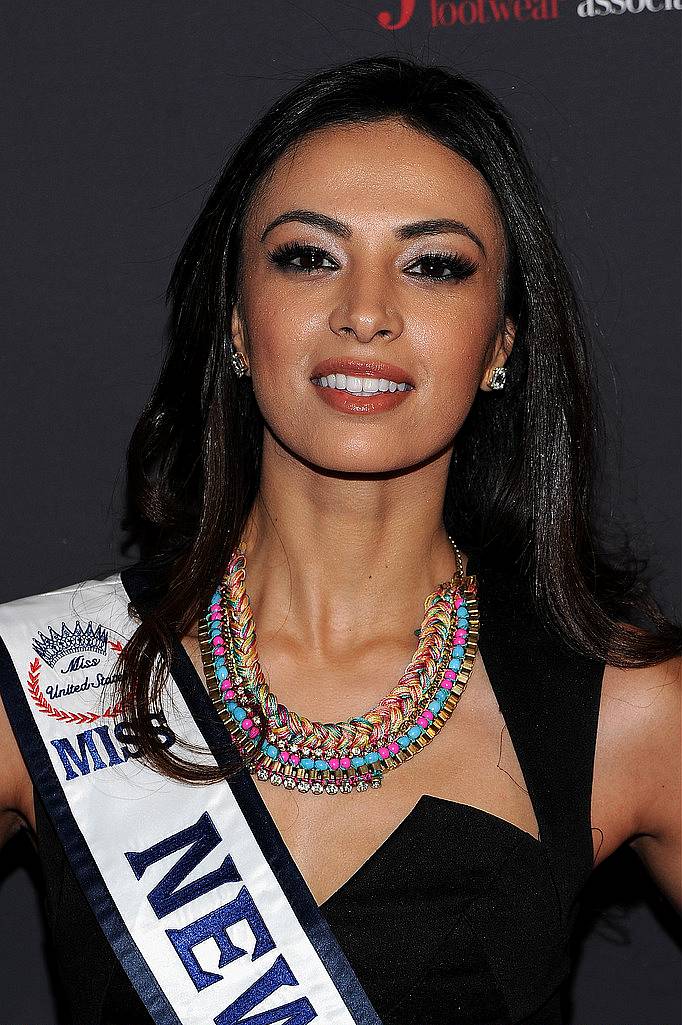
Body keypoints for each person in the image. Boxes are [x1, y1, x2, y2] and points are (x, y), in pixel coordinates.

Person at [0, 53, 680, 1025]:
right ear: (238, 324)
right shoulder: (49, 686)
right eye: (307, 256)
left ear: (500, 343)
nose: (365, 312)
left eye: (434, 265)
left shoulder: (629, 715)